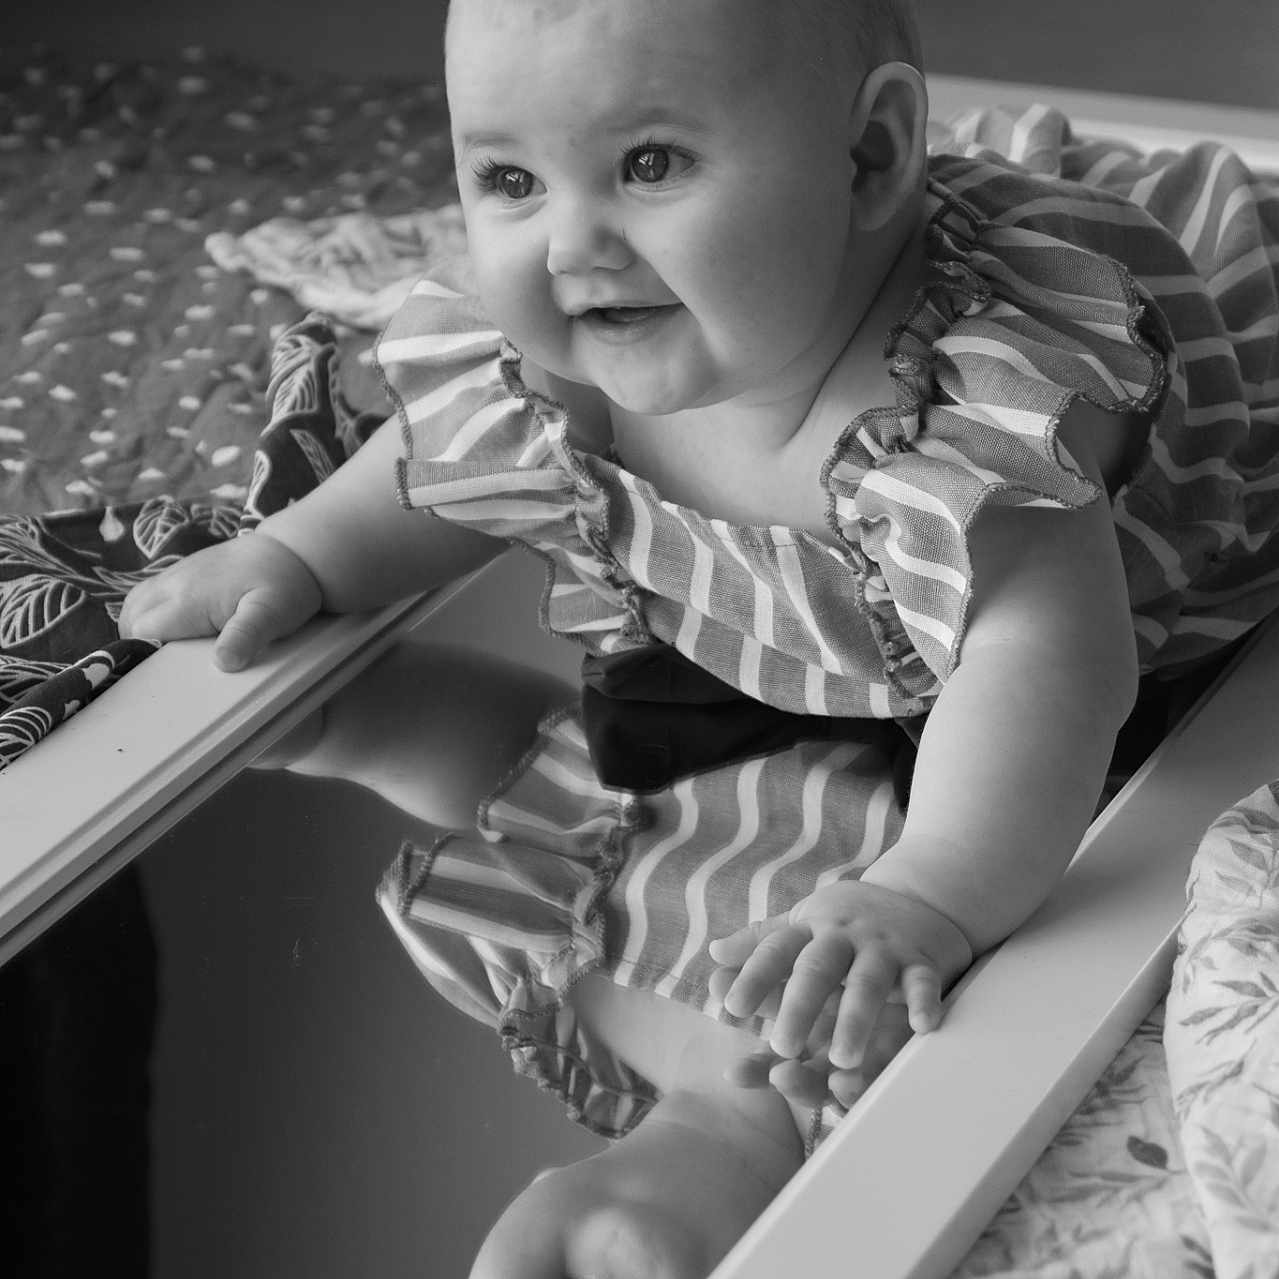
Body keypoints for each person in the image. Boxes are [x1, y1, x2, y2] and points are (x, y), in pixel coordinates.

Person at [120, 0, 1279, 1270]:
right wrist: (302, 555)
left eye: (650, 164)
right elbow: (439, 461)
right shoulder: (590, 346)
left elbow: (1045, 661)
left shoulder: (971, 408)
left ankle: (354, 720)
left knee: (681, 837)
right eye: (509, 178)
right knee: (644, 774)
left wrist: (932, 888)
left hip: (1030, 638)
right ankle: (355, 714)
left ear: (870, 156)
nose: (572, 241)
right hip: (821, 659)